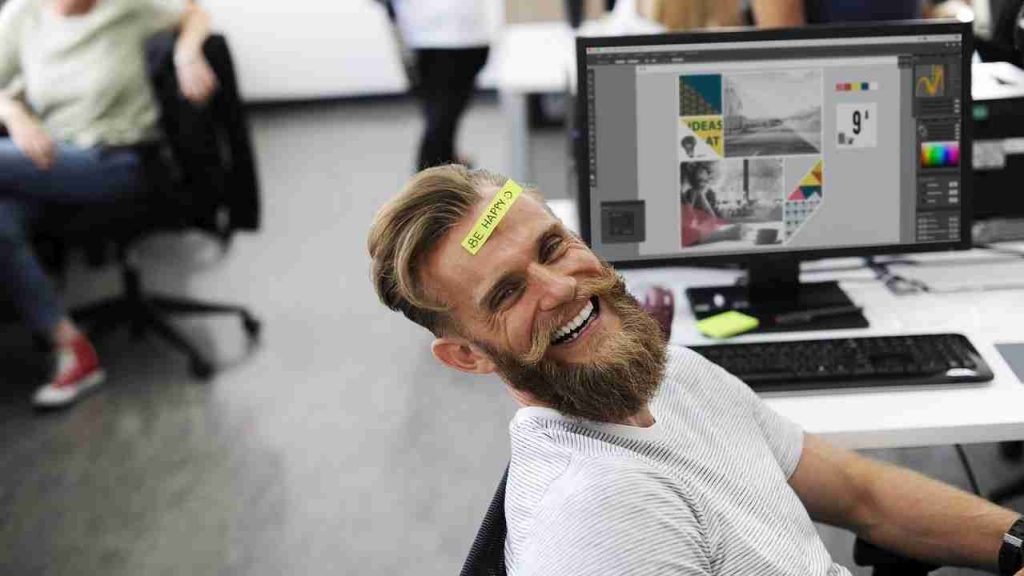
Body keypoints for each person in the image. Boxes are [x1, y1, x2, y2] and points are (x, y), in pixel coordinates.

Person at [368, 164, 1024, 575]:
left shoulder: (668, 370)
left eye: (553, 246)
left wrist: (1016, 539)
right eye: (509, 293)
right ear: (467, 355)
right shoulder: (599, 525)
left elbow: (860, 494)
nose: (562, 287)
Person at [0, 0, 216, 408]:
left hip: (118, 160)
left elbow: (194, 11)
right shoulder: (21, 16)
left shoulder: (128, 6)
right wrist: (12, 112)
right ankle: (71, 347)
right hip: (48, 160)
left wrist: (187, 53)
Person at [391, 0, 491, 171]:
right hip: (432, 38)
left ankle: (446, 160)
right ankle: (430, 179)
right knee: (441, 115)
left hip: (469, 36)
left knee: (447, 112)